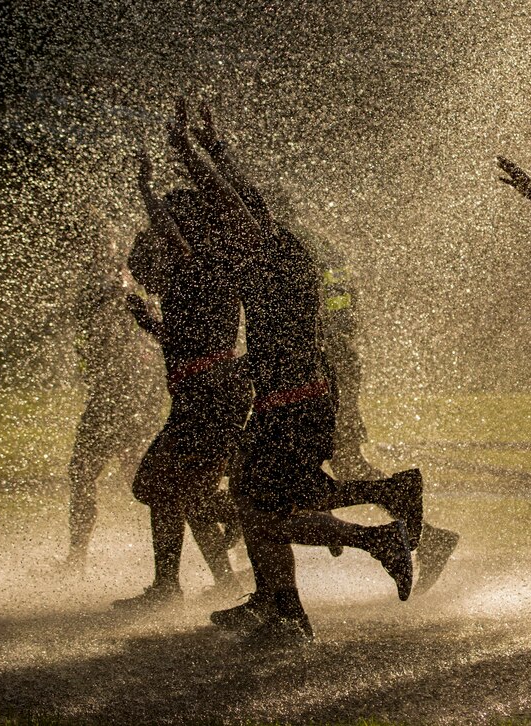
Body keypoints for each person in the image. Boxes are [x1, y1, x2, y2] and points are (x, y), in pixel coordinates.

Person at [163, 99, 423, 644]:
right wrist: (202, 152)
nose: (223, 227)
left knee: (267, 507)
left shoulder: (276, 252)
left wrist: (197, 152)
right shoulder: (268, 254)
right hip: (285, 402)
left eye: (231, 220)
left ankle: (386, 517)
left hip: (297, 404)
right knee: (254, 501)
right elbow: (236, 205)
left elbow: (237, 202)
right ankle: (279, 605)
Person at [110, 151, 250, 611]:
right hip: (208, 397)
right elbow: (193, 338)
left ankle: (271, 516)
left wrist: (147, 189)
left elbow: (173, 241)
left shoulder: (202, 265)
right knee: (186, 494)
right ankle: (210, 580)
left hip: (209, 399)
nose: (153, 242)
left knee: (154, 485)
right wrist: (152, 326)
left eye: (163, 231)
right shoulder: (197, 276)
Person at [64, 226, 164, 571]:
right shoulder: (116, 279)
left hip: (120, 397)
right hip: (123, 395)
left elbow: (124, 312)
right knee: (135, 481)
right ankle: (77, 558)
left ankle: (77, 559)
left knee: (123, 479)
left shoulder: (117, 280)